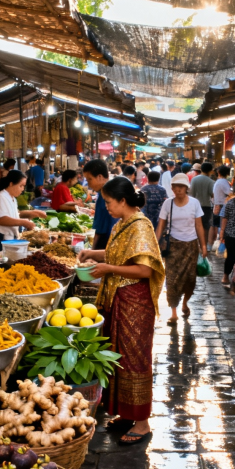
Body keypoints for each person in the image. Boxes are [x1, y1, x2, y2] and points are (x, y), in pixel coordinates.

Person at [77, 177, 164, 445]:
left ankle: (142, 422)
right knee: (118, 356)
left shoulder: (141, 226)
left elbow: (145, 270)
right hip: (118, 298)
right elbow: (117, 254)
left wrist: (108, 269)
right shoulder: (122, 224)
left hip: (135, 302)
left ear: (123, 201)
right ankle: (126, 414)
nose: (106, 207)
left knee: (134, 359)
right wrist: (93, 254)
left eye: (109, 202)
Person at [156, 173, 208, 323]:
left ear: (186, 188)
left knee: (190, 279)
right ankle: (173, 312)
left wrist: (203, 245)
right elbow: (161, 225)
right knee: (172, 279)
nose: (178, 189)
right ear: (172, 188)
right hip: (172, 246)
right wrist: (155, 243)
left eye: (181, 186)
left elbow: (199, 225)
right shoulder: (168, 204)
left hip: (191, 246)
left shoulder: (194, 203)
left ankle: (185, 303)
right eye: (175, 187)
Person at [0, 170, 46, 251]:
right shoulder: (1, 197)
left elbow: (15, 214)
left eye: (24, 186)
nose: (23, 189)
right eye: (21, 186)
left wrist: (33, 213)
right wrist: (24, 222)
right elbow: (2, 220)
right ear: (11, 184)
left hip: (9, 239)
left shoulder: (12, 198)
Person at [84, 159, 117, 250]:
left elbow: (98, 229)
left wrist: (89, 250)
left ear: (99, 177)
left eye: (89, 179)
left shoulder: (104, 195)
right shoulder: (112, 188)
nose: (89, 184)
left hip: (105, 244)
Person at [190, 162, 215, 246]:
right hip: (206, 206)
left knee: (195, 225)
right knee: (205, 226)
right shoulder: (211, 181)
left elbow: (191, 194)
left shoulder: (194, 179)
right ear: (210, 171)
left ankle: (196, 244)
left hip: (194, 206)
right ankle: (204, 245)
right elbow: (212, 195)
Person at [212, 165, 232, 240]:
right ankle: (221, 240)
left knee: (218, 225)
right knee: (221, 225)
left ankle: (218, 240)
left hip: (217, 204)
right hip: (221, 205)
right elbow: (229, 193)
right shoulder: (223, 182)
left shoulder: (219, 181)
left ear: (218, 172)